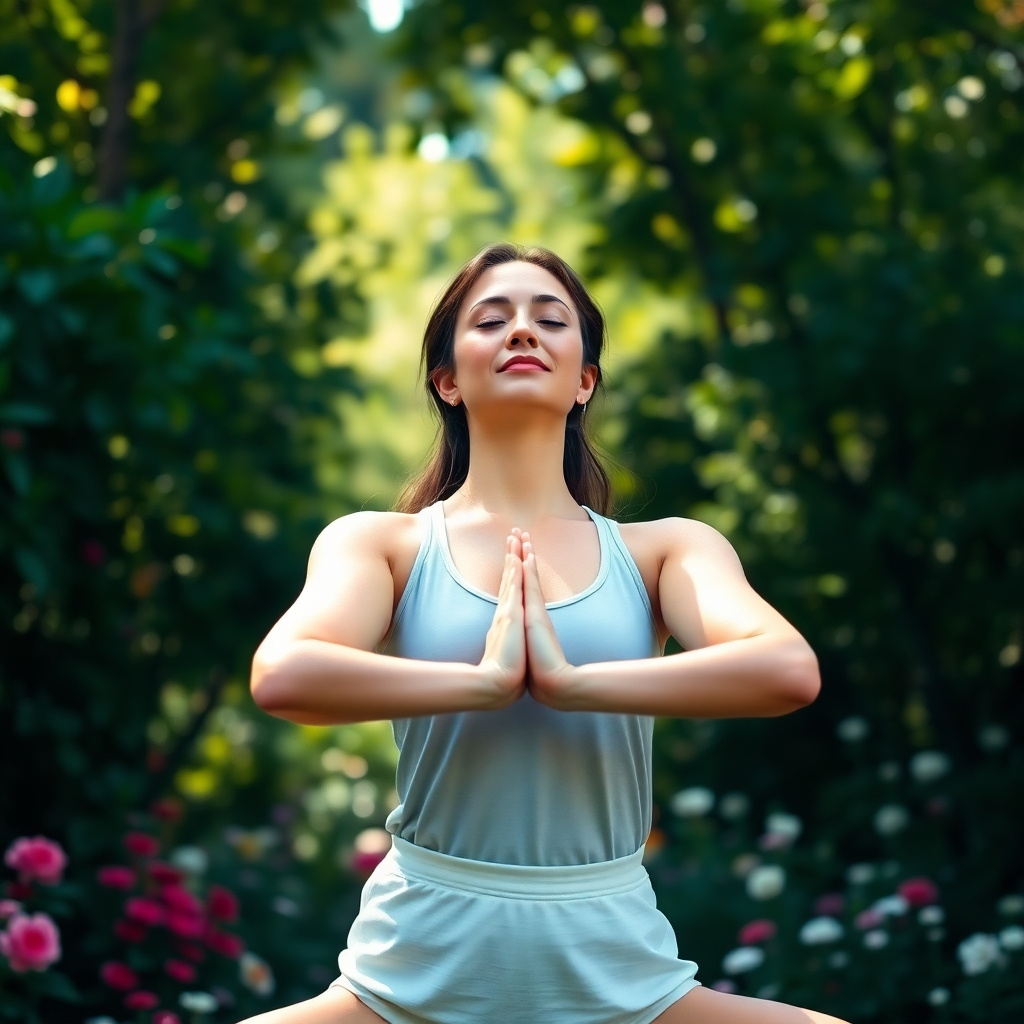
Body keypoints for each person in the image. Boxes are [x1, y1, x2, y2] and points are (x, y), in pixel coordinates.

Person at [243, 244, 848, 1024]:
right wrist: (487, 682)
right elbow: (284, 674)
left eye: (549, 319)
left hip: (615, 964)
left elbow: (786, 669)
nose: (522, 331)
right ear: (448, 380)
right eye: (492, 319)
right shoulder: (380, 545)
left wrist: (571, 684)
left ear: (585, 379)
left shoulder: (665, 550)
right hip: (414, 965)